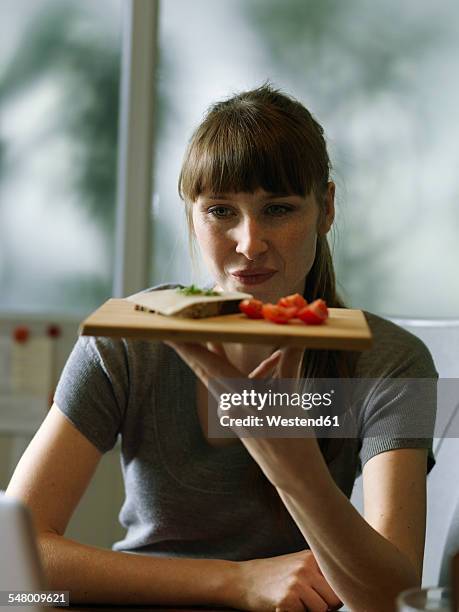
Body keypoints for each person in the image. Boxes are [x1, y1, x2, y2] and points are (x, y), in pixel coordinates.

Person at [6, 83, 437, 612]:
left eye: (278, 209)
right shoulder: (128, 341)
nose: (249, 243)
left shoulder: (392, 362)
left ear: (326, 209)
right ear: (192, 214)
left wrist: (293, 468)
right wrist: (235, 582)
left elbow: (395, 601)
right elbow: (12, 569)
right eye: (220, 211)